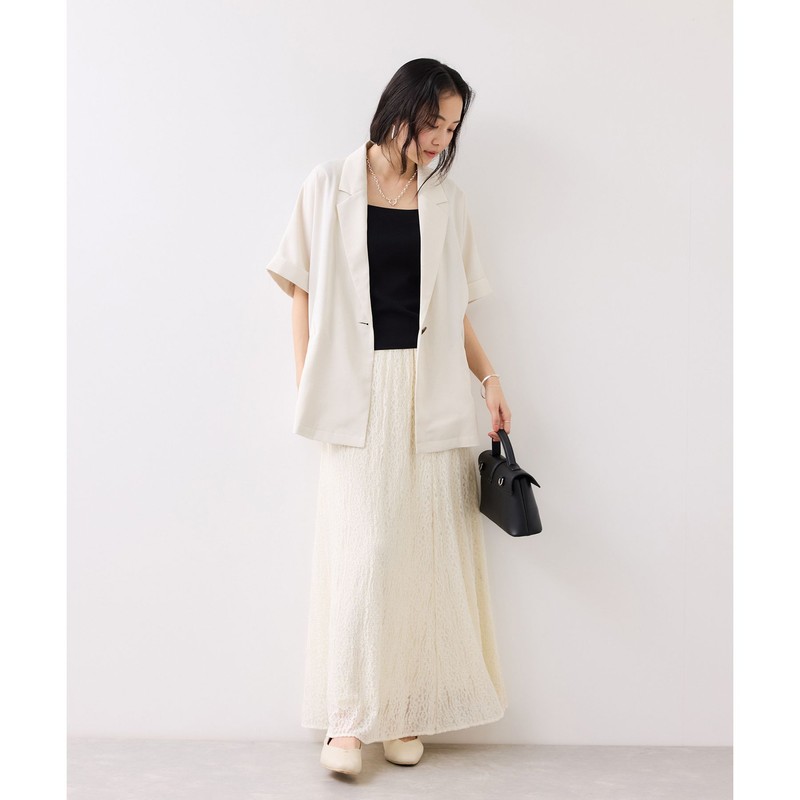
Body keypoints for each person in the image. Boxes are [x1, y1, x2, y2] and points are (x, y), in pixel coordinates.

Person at [266, 58, 511, 776]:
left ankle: (400, 710)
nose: (441, 139)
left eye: (452, 128)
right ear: (399, 108)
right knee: (363, 550)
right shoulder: (328, 185)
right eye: (434, 122)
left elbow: (452, 310)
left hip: (428, 389)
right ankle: (347, 721)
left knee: (416, 554)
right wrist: (307, 381)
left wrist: (490, 378)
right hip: (356, 388)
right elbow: (300, 291)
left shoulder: (447, 200)